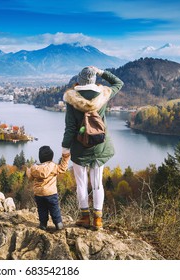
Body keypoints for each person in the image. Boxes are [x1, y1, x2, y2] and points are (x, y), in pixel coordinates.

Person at [61, 66, 124, 230]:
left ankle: (84, 217)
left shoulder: (72, 99)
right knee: (97, 184)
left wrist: (65, 149)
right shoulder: (103, 95)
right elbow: (118, 82)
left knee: (81, 184)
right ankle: (98, 220)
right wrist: (101, 72)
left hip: (79, 148)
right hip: (99, 145)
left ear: (79, 80)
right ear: (93, 80)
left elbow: (70, 128)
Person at [26, 145, 70, 230]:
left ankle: (43, 224)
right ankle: (58, 223)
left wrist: (28, 170)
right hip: (51, 193)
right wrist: (66, 157)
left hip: (38, 194)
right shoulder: (53, 166)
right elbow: (63, 168)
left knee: (42, 209)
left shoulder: (34, 168)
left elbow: (30, 178)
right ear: (51, 157)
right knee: (54, 208)